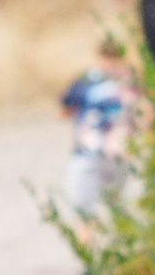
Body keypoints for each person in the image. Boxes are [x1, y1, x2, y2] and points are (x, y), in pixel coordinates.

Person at [57, 39, 133, 218]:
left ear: (98, 54)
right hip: (121, 153)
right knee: (120, 215)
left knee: (84, 217)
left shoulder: (87, 78)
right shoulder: (131, 78)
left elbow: (64, 110)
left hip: (88, 153)